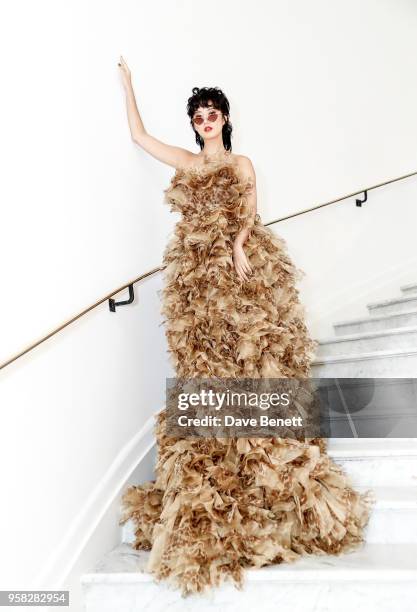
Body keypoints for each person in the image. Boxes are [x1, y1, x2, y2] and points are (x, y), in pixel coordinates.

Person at [117, 56, 375, 596]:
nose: (205, 120)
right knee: (206, 362)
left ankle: (263, 455)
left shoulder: (240, 163)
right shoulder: (189, 161)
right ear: (193, 124)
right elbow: (139, 135)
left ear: (226, 118)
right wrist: (128, 83)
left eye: (212, 113)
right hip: (196, 278)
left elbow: (251, 212)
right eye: (198, 115)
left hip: (239, 268)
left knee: (252, 356)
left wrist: (237, 248)